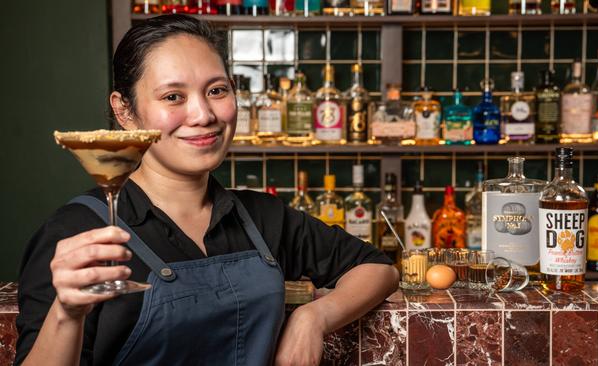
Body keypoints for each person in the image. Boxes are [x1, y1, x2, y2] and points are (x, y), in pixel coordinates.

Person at [15, 15, 398, 366]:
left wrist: (314, 317)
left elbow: (378, 268)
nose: (203, 115)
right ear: (125, 110)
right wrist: (66, 312)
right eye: (173, 97)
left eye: (216, 90)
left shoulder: (259, 217)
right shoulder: (75, 231)